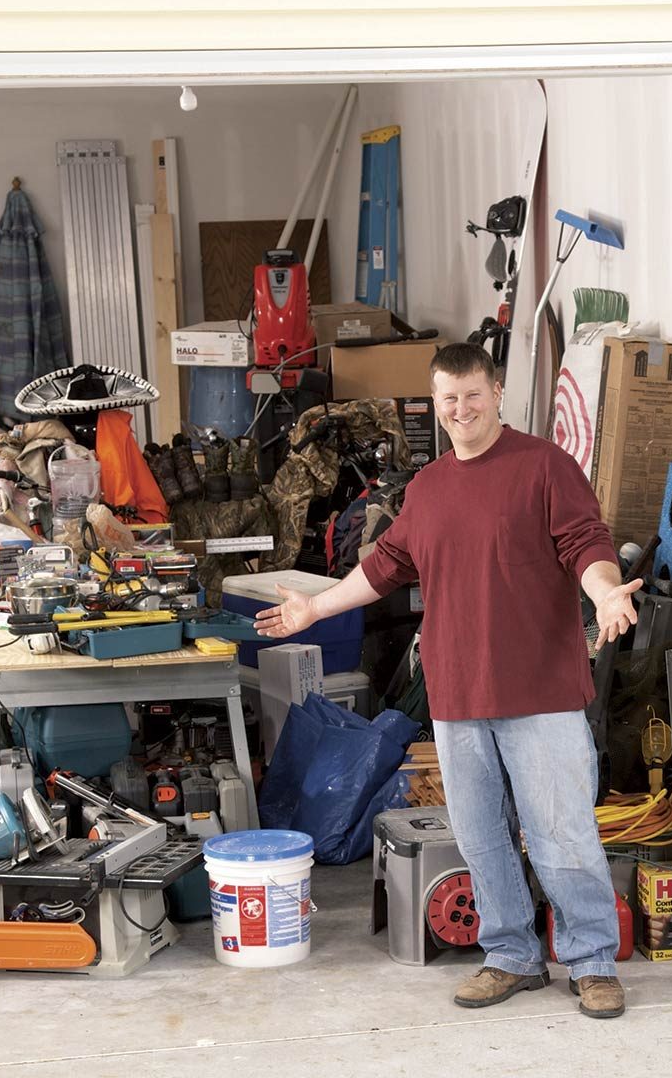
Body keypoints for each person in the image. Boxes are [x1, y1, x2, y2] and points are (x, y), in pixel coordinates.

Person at [255, 342, 642, 1019]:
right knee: (481, 834)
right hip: (459, 696)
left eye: (471, 394)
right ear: (436, 405)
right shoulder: (429, 488)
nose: (460, 409)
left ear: (495, 393)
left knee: (562, 834)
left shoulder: (542, 467)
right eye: (447, 399)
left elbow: (587, 544)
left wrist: (606, 594)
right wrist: (313, 607)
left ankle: (591, 959)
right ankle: (512, 955)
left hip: (542, 692)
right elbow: (384, 567)